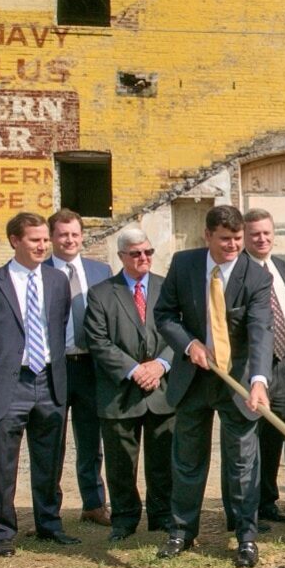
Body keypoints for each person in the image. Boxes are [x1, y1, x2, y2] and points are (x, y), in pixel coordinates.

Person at [153, 205, 274, 568]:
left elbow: (260, 331)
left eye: (238, 239)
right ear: (207, 235)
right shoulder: (184, 264)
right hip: (193, 378)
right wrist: (189, 345)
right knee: (188, 460)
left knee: (242, 463)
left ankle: (245, 536)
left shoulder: (255, 276)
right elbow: (164, 315)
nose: (233, 246)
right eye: (225, 239)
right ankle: (181, 531)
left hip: (235, 381)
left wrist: (258, 381)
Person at [0, 212, 77, 557]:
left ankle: (49, 524)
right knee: (1, 463)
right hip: (7, 385)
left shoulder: (57, 282)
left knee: (49, 459)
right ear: (14, 241)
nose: (43, 246)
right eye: (34, 240)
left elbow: (60, 324)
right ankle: (1, 533)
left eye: (45, 239)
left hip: (49, 381)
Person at [83, 228, 175, 541]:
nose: (143, 258)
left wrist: (161, 364)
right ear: (121, 256)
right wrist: (133, 369)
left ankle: (162, 516)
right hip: (119, 392)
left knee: (163, 459)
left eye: (148, 252)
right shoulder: (101, 293)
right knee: (122, 463)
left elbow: (182, 331)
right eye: (135, 253)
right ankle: (124, 519)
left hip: (162, 391)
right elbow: (97, 340)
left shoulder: (167, 288)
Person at [47, 209, 113, 527]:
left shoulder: (101, 271)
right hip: (54, 367)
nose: (69, 240)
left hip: (91, 366)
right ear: (51, 238)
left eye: (74, 234)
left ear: (82, 235)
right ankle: (49, 507)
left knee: (91, 439)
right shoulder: (40, 270)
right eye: (63, 234)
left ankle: (94, 503)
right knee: (51, 440)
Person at [241, 209, 285, 526]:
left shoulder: (281, 267)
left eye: (266, 232)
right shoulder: (241, 270)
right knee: (249, 440)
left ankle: (268, 501)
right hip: (252, 367)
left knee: (274, 436)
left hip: (282, 366)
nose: (262, 239)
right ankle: (246, 509)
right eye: (254, 234)